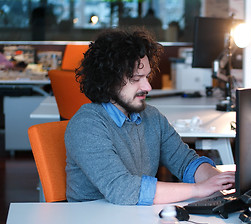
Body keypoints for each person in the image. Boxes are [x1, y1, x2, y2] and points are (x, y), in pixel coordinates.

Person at [65, 28, 235, 205]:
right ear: (108, 81)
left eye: (146, 77)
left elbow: (186, 162)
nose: (147, 87)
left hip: (136, 217)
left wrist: (218, 181)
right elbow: (123, 190)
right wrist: (199, 189)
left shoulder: (151, 117)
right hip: (91, 223)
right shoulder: (86, 125)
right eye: (136, 78)